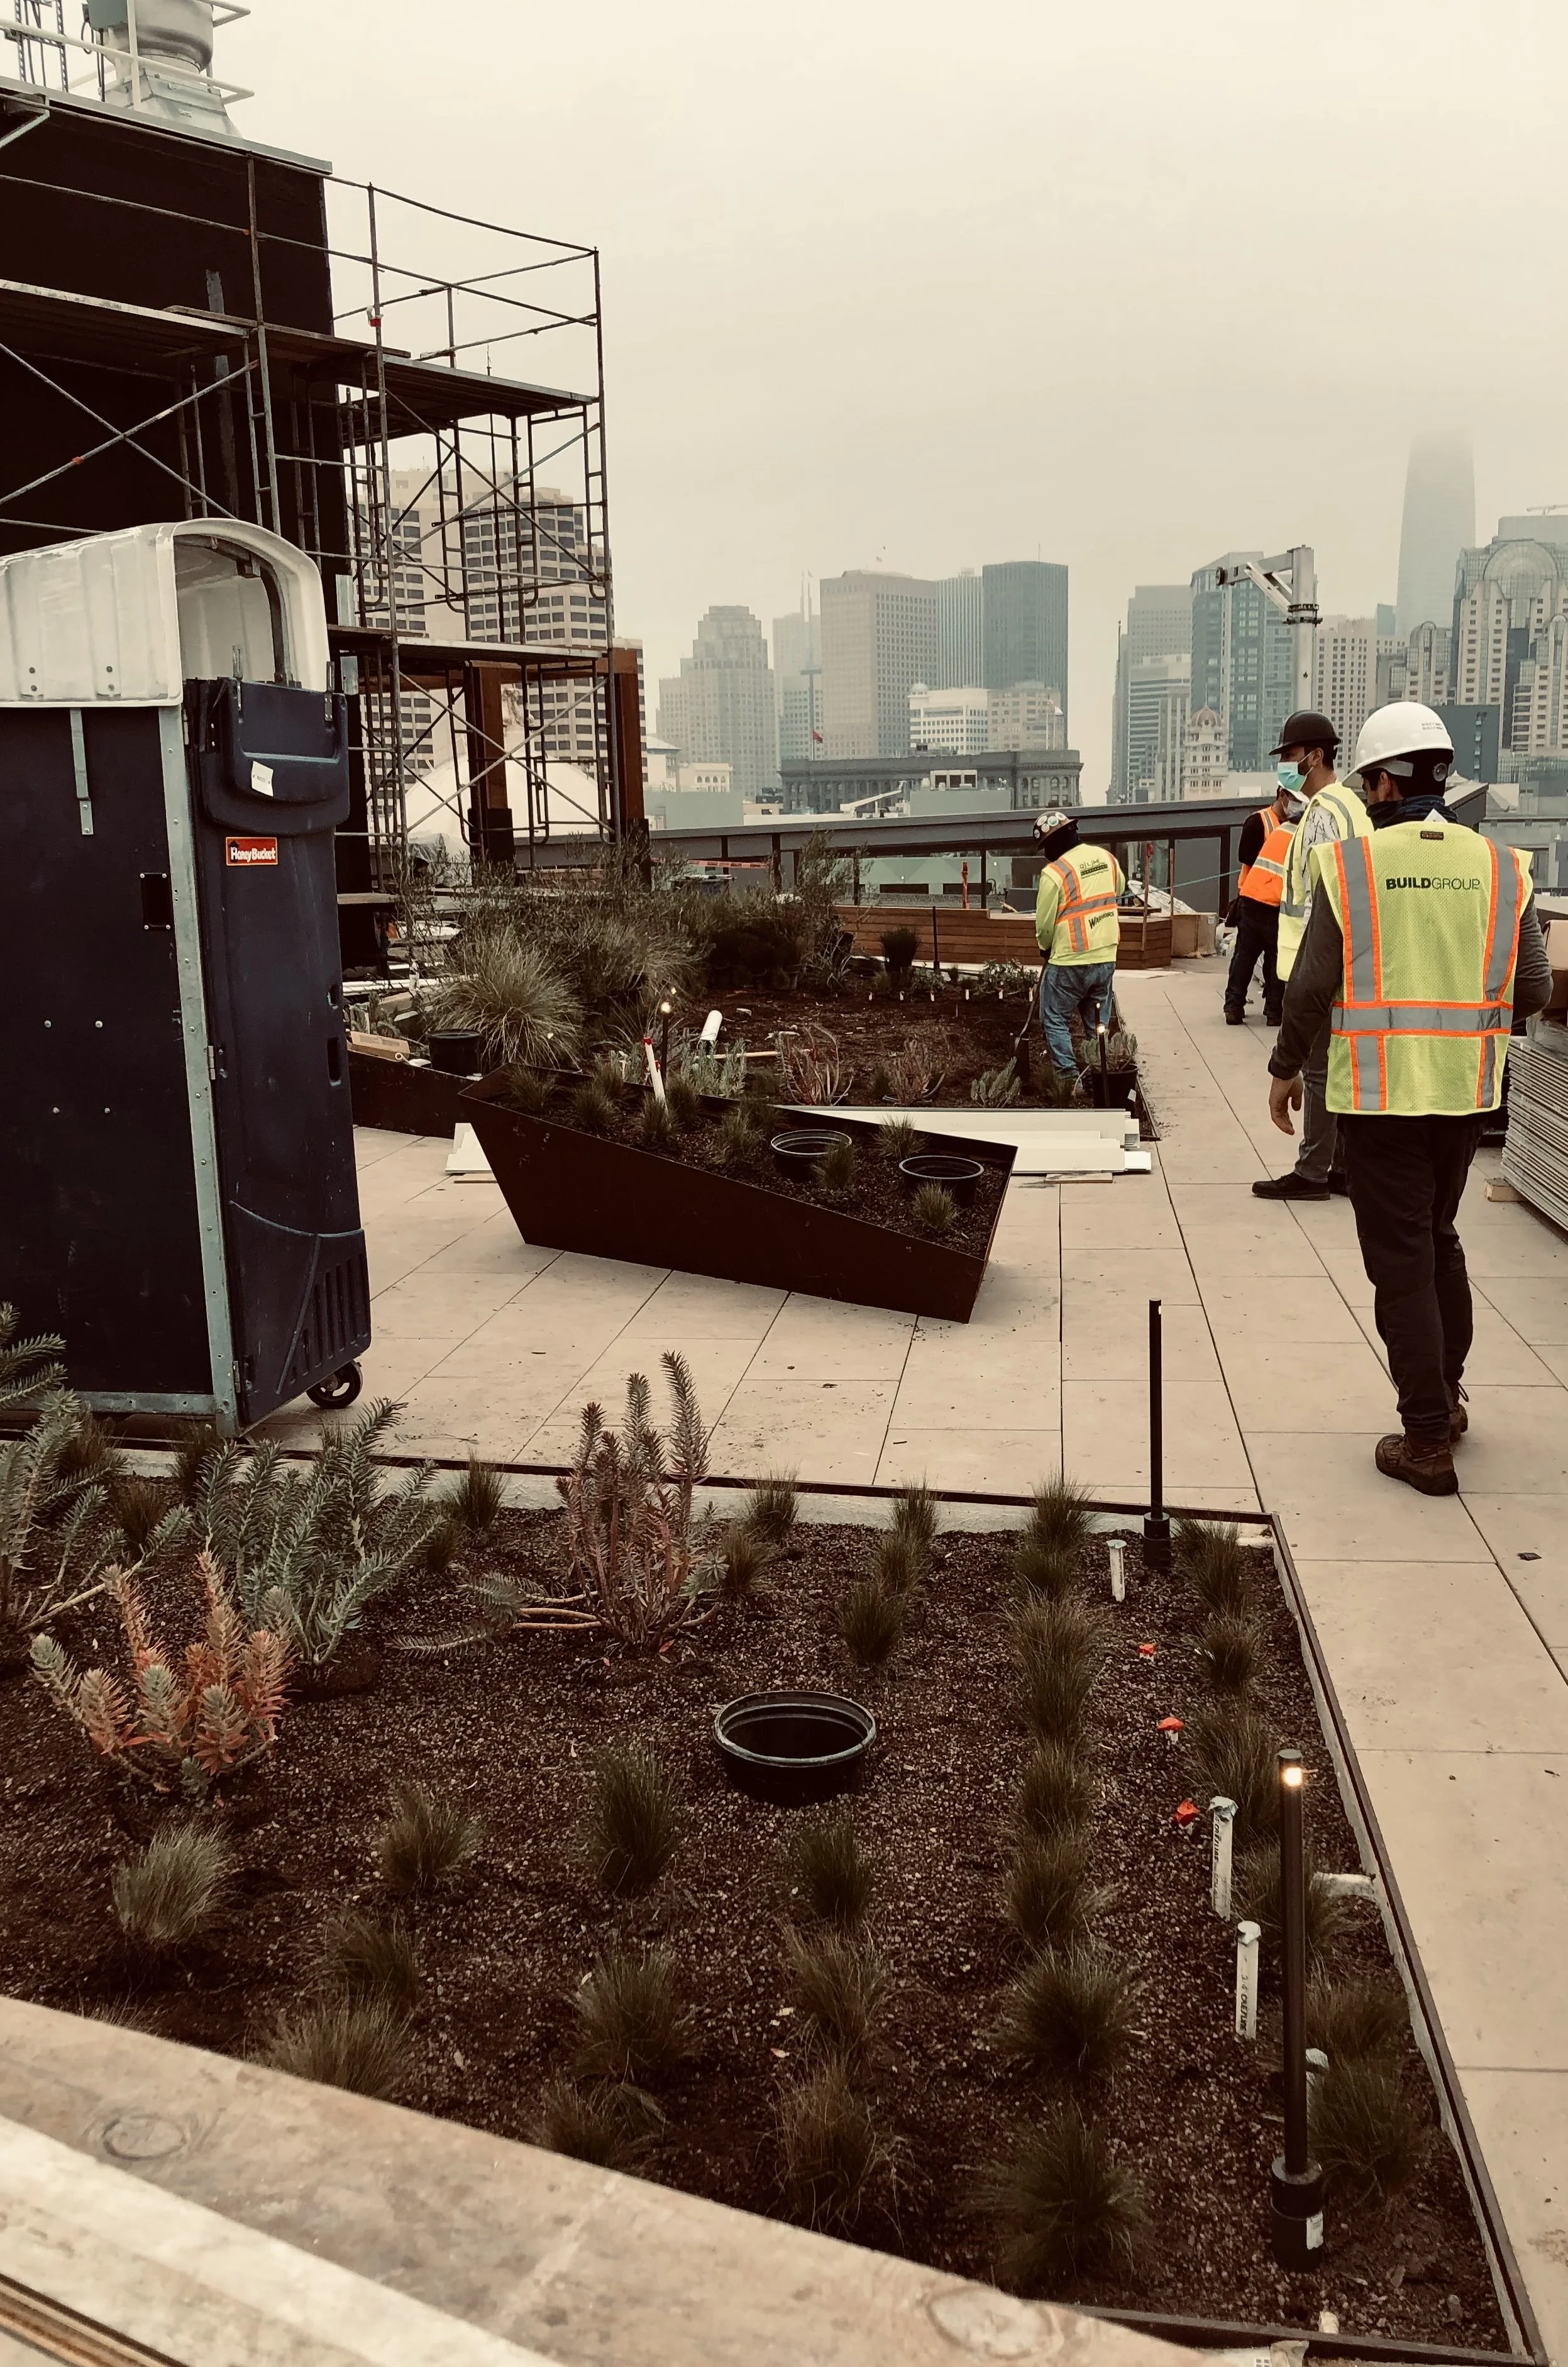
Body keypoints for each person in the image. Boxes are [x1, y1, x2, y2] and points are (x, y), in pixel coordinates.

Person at [1266, 703, 1552, 1495]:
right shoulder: (1503, 866)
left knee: (1399, 1262)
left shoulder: (1353, 864)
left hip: (1379, 1096)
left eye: (1367, 781)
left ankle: (1425, 1436)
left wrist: (1286, 1065)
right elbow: (1531, 985)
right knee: (1438, 1237)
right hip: (1464, 1094)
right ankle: (1448, 1397)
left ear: (1384, 780)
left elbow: (1312, 982)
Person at [1252, 709, 1370, 1200]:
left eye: (1290, 756)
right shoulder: (1350, 806)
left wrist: (1310, 971)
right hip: (1345, 958)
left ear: (1314, 756)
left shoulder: (1324, 815)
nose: (1285, 765)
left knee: (1319, 1068)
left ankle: (1313, 1172)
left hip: (1321, 962)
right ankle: (1339, 1166)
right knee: (1337, 1066)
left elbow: (1324, 897)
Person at [1032, 809, 1125, 1077]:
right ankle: (1101, 1074)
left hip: (1069, 961)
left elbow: (1044, 924)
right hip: (1105, 957)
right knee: (1098, 1023)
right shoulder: (1106, 858)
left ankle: (1069, 1080)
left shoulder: (1055, 873)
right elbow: (1118, 890)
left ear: (1051, 845)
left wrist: (1044, 947)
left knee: (1055, 1018)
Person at [1223, 771, 1302, 1026]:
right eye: (1292, 797)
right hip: (1262, 902)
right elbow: (1247, 857)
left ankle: (1235, 1007)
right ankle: (1272, 1012)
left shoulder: (1283, 830)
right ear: (1281, 795)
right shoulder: (1261, 823)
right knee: (1270, 958)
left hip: (1258, 899)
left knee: (1250, 957)